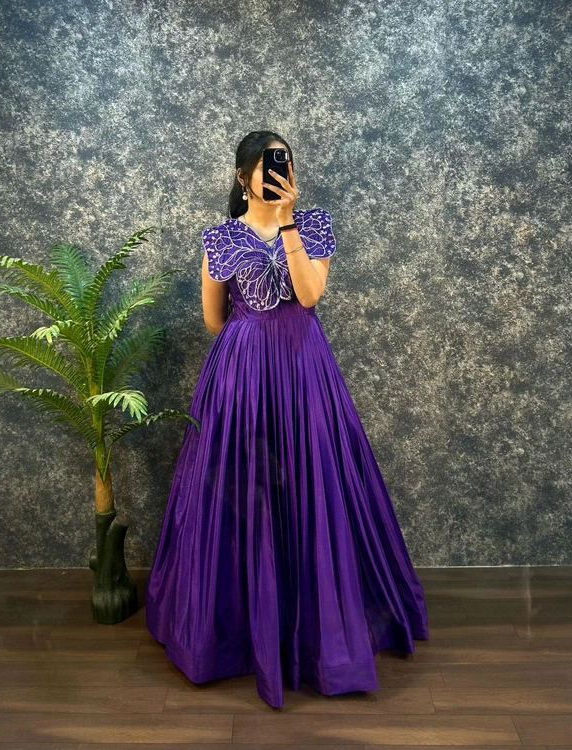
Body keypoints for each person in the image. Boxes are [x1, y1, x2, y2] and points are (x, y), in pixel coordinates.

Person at [145, 130, 429, 710]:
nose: (279, 172)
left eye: (286, 162)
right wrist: (249, 345)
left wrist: (289, 221)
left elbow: (310, 294)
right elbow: (214, 321)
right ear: (242, 176)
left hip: (304, 372)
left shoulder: (314, 225)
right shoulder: (220, 238)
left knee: (312, 483)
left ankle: (314, 634)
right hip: (243, 377)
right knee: (243, 493)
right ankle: (237, 633)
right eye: (268, 164)